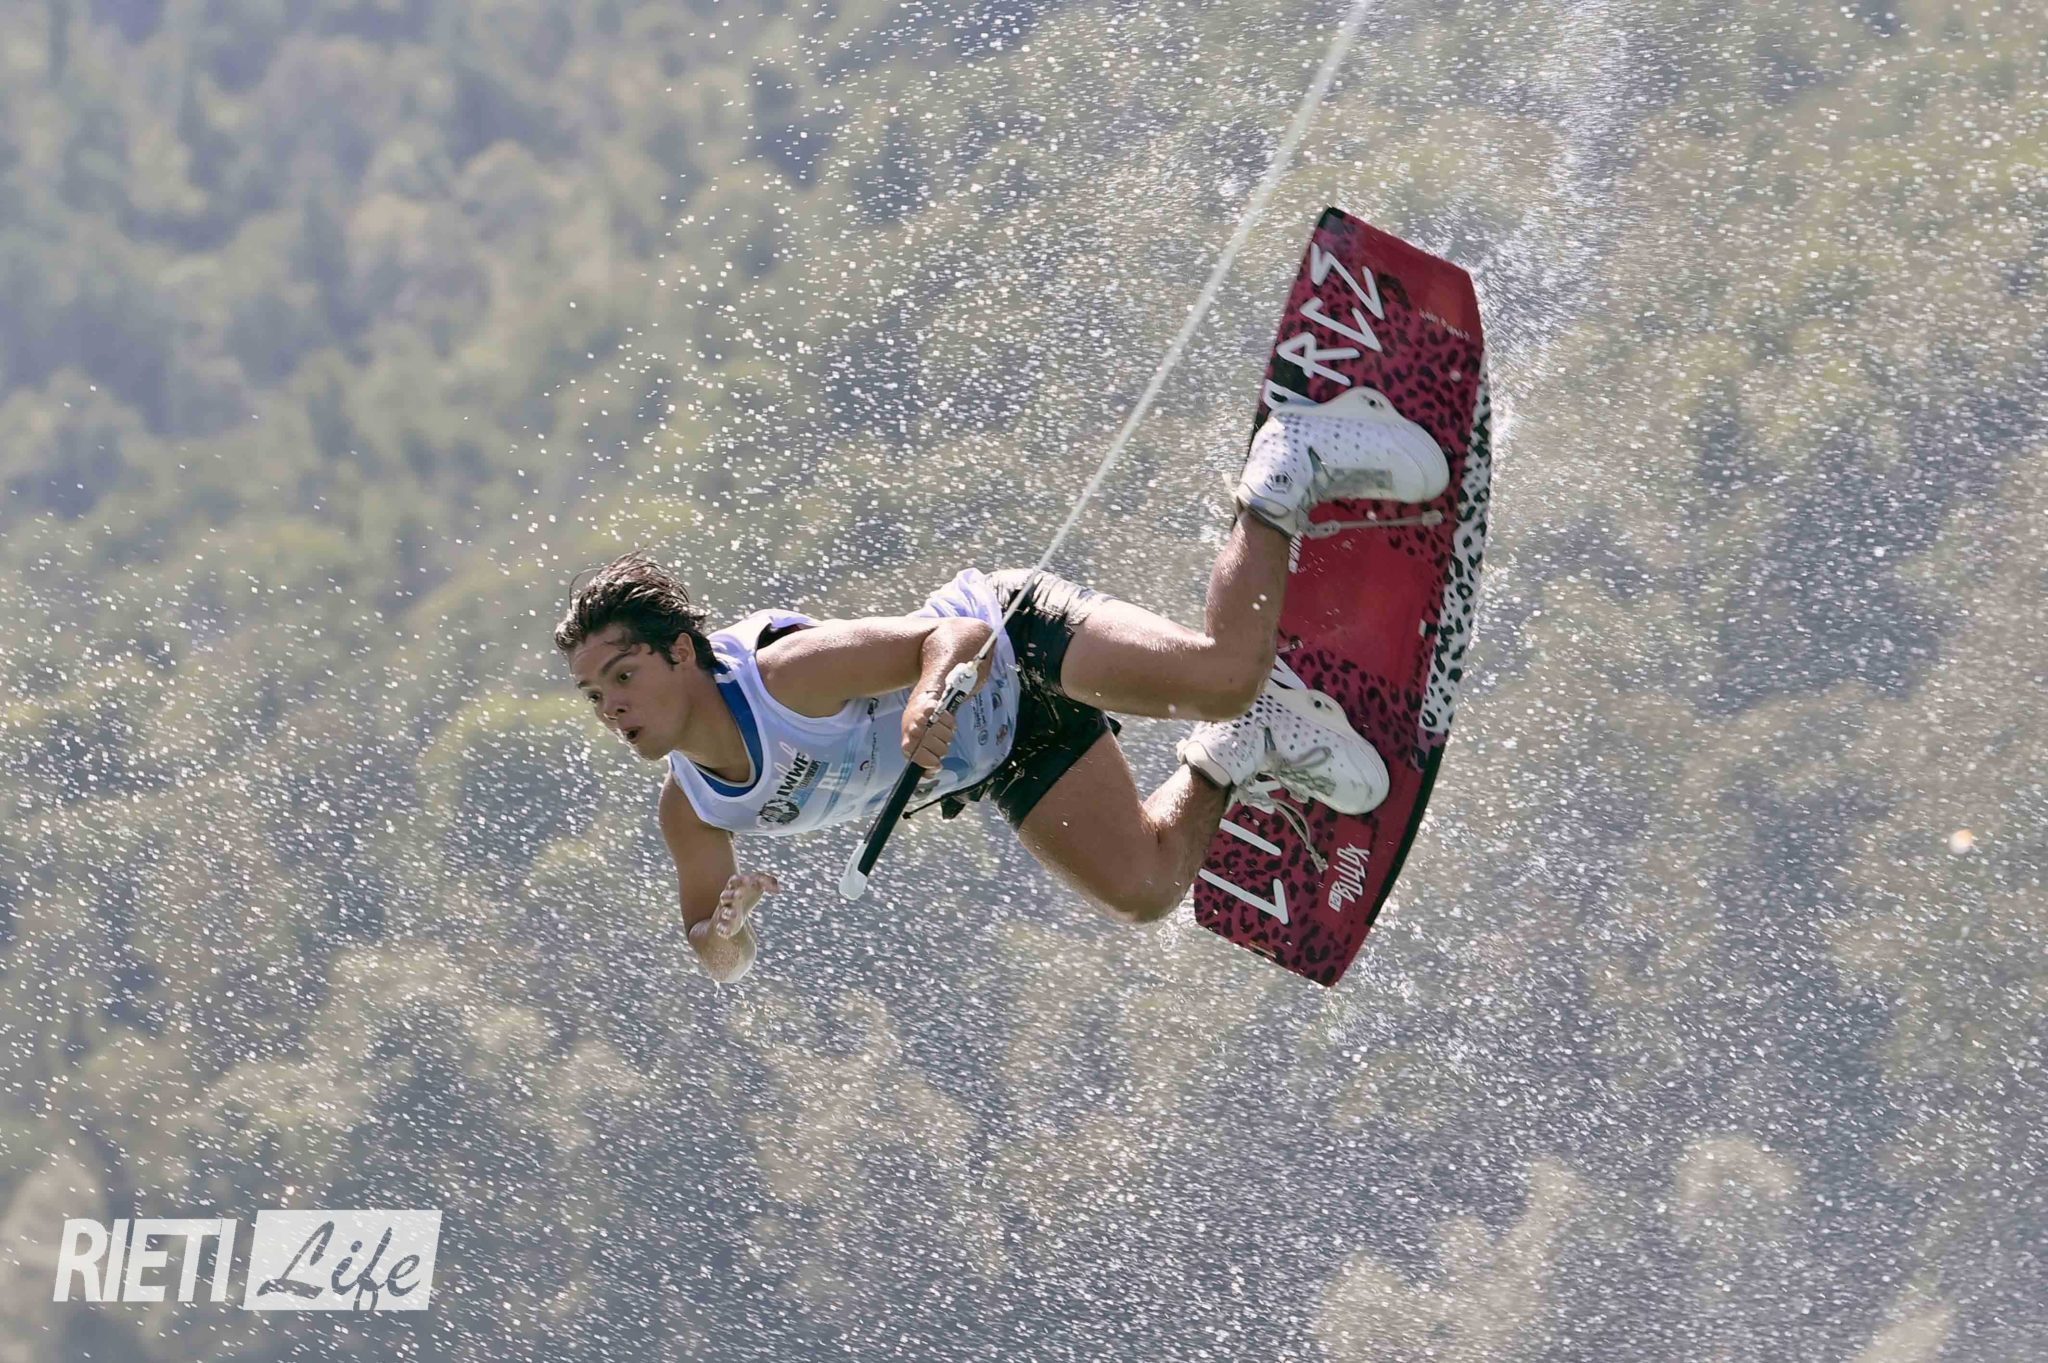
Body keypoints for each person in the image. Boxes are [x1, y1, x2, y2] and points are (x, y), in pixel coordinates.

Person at [555, 387, 1449, 982]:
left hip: (1017, 639)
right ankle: (1242, 745)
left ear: (681, 653)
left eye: (622, 675)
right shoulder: (693, 810)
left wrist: (924, 698)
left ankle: (1289, 462)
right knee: (1143, 887)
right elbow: (718, 954)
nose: (611, 706)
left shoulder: (788, 676)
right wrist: (727, 929)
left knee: (1222, 673)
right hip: (1003, 748)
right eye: (595, 696)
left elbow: (956, 637)